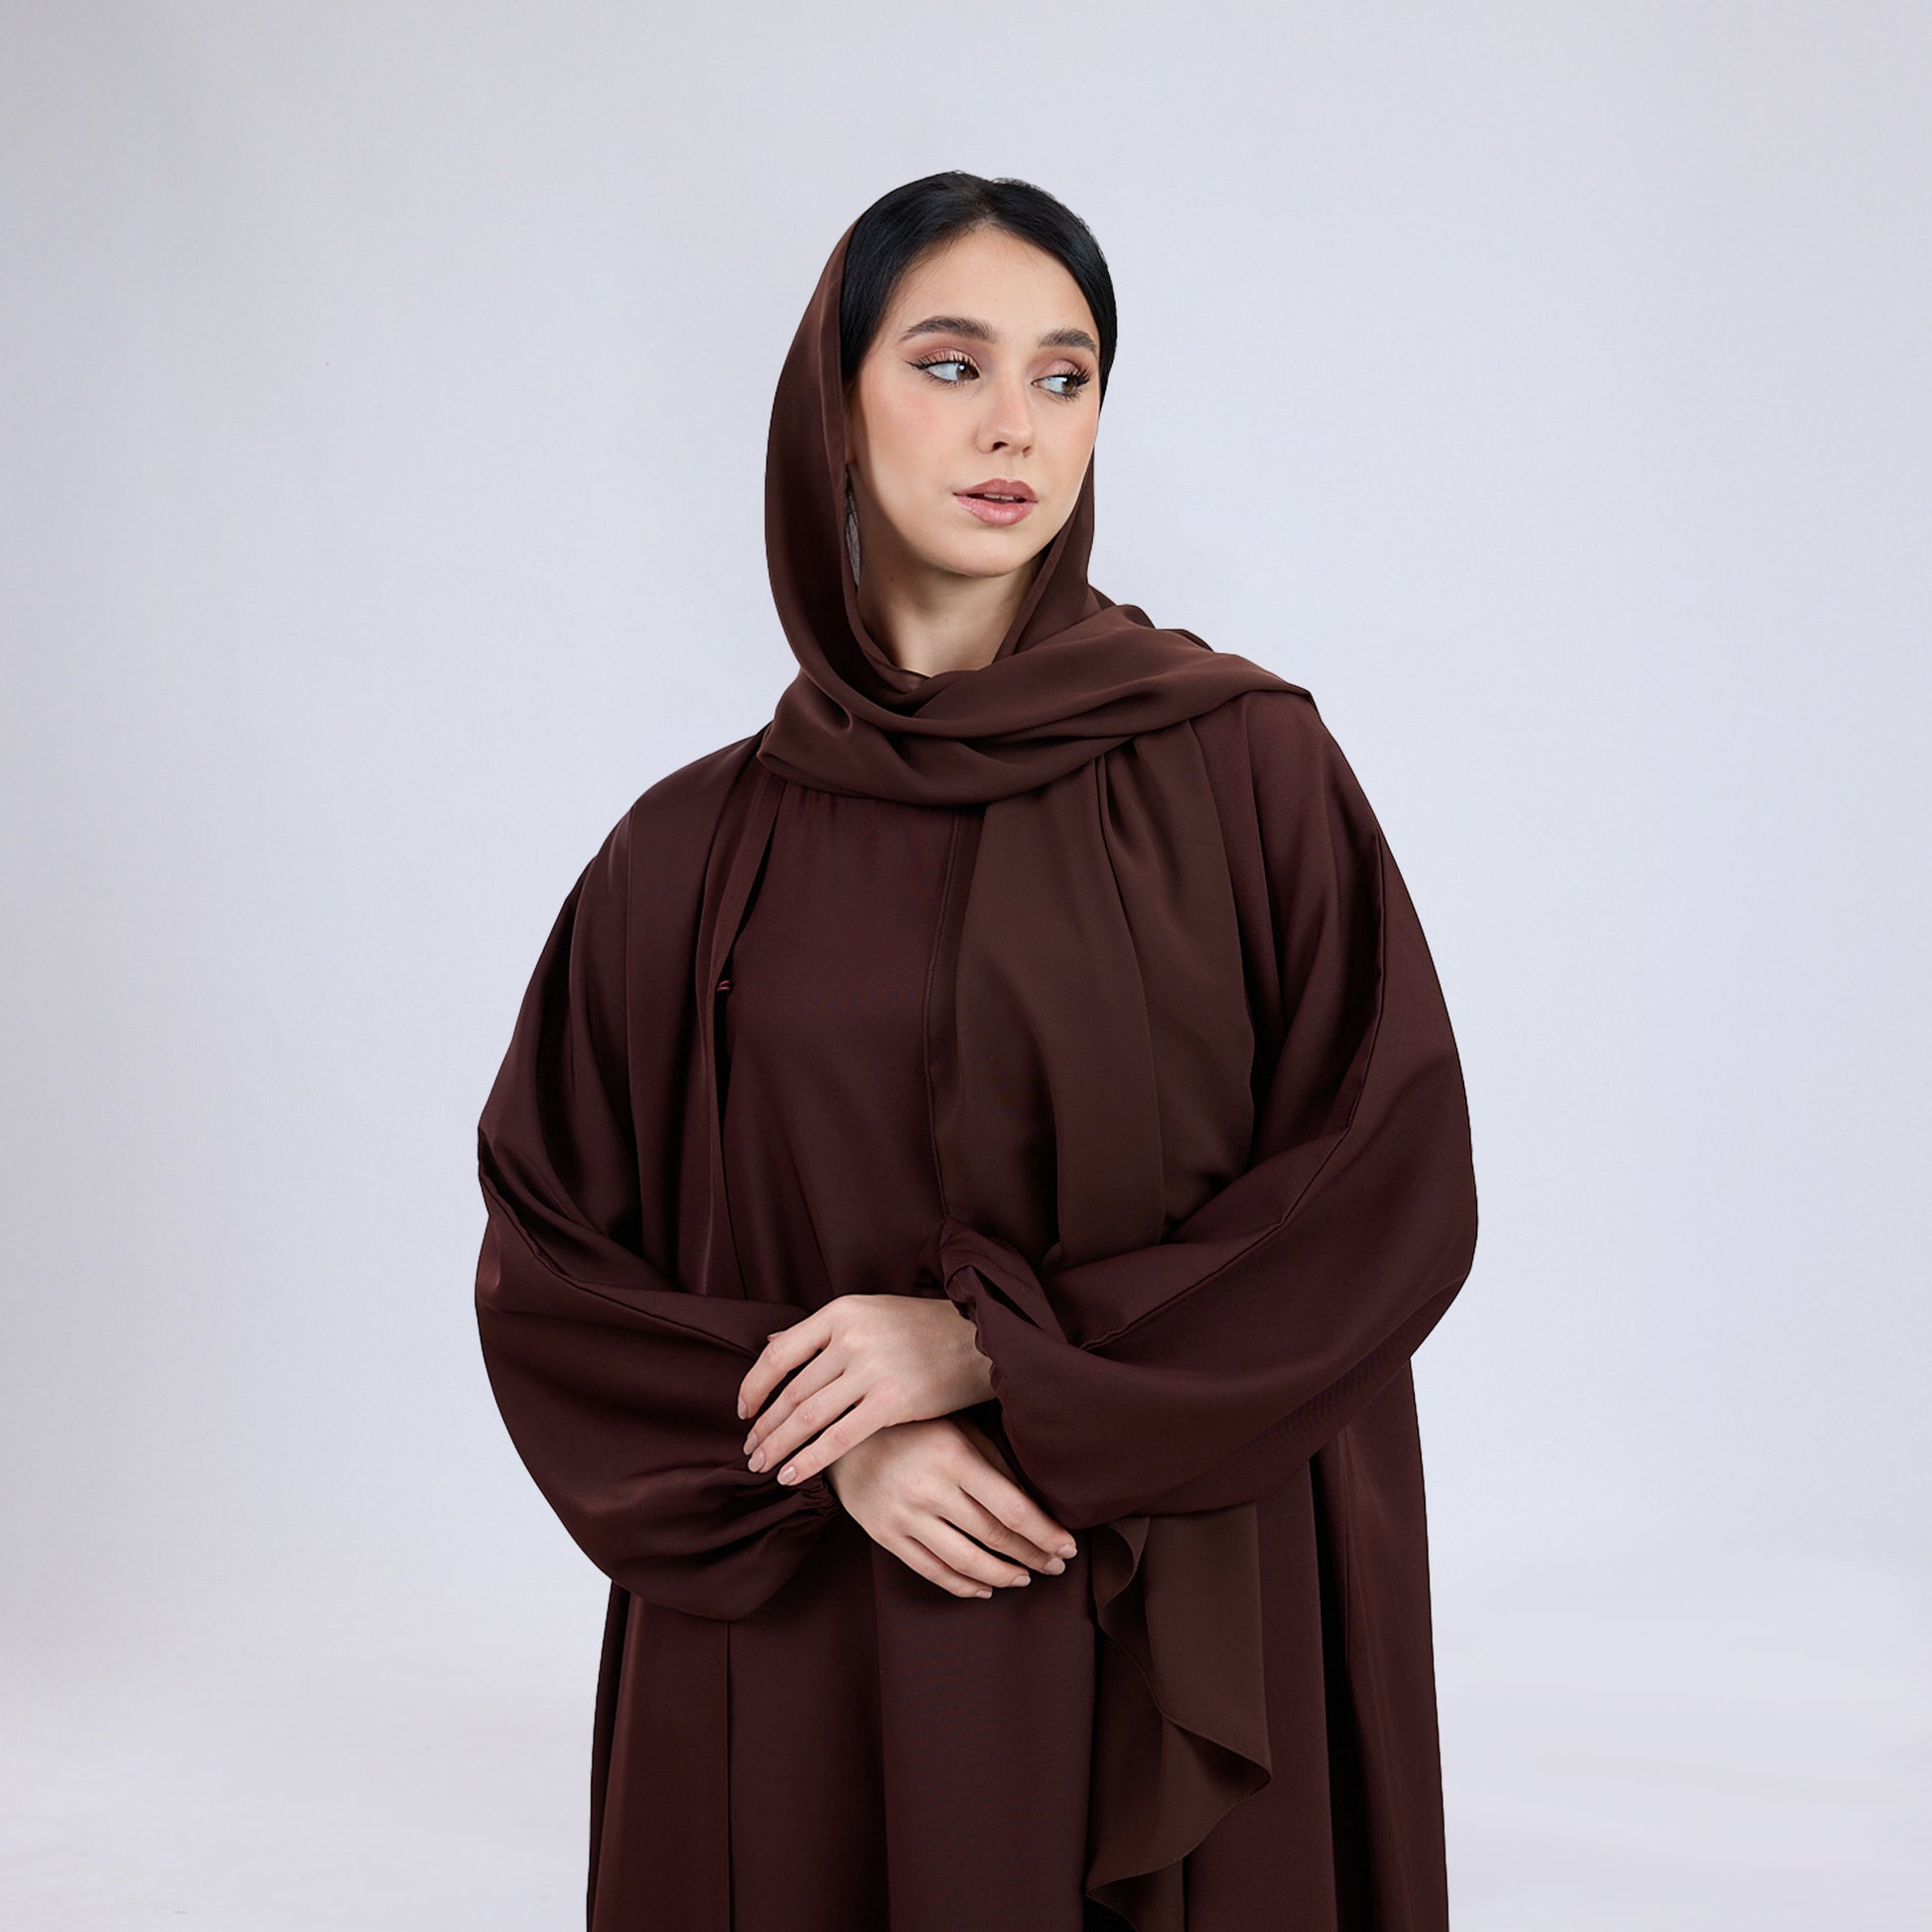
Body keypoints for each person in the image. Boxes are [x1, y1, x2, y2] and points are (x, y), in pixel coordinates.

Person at [474, 171, 1479, 1932]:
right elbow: (557, 1269)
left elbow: (1378, 1189)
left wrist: (991, 1350)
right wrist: (826, 1437)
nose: (1015, 422)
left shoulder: (1246, 770)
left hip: (1181, 1586)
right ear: (834, 406)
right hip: (817, 1616)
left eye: (1063, 374)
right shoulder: (685, 853)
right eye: (949, 364)